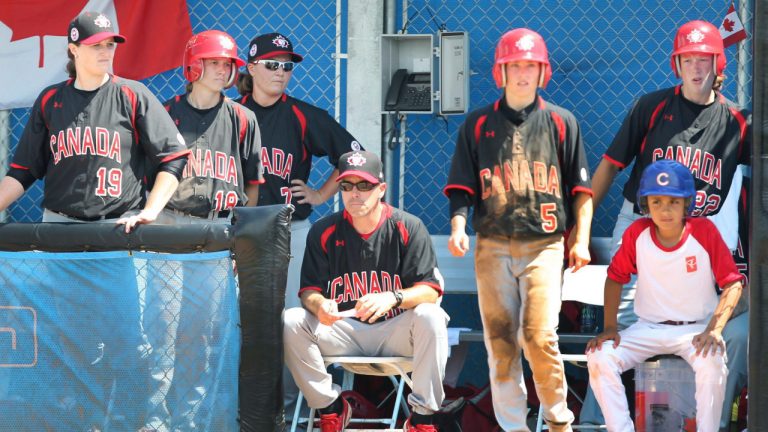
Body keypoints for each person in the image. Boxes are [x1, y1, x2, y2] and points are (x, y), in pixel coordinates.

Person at [0, 10, 189, 430]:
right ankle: (79, 422)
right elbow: (22, 173)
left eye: (109, 45)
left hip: (118, 229)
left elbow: (172, 160)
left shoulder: (133, 95)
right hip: (62, 229)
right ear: (73, 49)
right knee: (69, 336)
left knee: (126, 337)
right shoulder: (51, 101)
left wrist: (151, 210)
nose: (105, 52)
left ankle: (130, 420)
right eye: (96, 45)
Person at [582, 20, 751, 429]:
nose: (696, 68)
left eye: (704, 59)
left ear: (718, 63)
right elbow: (609, 166)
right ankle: (593, 420)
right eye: (688, 59)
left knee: (707, 325)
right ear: (677, 64)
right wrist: (580, 227)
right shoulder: (652, 106)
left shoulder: (736, 122)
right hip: (641, 221)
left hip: (698, 230)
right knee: (619, 325)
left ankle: (697, 419)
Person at [444, 28, 593, 432]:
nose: (523, 73)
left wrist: (579, 240)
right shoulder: (477, 125)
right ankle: (513, 426)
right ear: (501, 71)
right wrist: (458, 227)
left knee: (539, 336)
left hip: (545, 246)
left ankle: (558, 420)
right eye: (516, 65)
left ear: (542, 71)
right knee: (500, 340)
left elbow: (582, 192)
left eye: (531, 65)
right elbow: (462, 189)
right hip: (492, 245)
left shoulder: (562, 122)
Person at [235, 31, 363, 418]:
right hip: (237, 234)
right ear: (252, 67)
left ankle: (289, 414)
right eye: (272, 64)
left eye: (287, 66)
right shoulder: (232, 114)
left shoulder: (304, 116)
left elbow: (354, 156)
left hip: (291, 232)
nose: (280, 72)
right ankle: (239, 411)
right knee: (238, 325)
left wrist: (323, 194)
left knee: (290, 326)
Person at [141, 30, 263, 431]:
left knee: (205, 335)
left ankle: (191, 421)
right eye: (213, 62)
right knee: (162, 330)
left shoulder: (243, 119)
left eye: (227, 64)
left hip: (218, 230)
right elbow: (150, 173)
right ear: (193, 66)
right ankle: (156, 419)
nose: (222, 70)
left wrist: (237, 239)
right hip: (170, 225)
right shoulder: (165, 113)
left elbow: (252, 186)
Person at [283, 151, 448, 432]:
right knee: (292, 320)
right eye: (346, 186)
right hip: (344, 330)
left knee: (432, 316)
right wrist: (320, 304)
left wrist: (393, 297)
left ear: (381, 189)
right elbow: (308, 292)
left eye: (364, 185)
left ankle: (421, 419)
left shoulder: (407, 227)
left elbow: (430, 291)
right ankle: (331, 407)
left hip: (395, 331)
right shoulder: (324, 231)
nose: (354, 193)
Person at [586, 159, 744, 432]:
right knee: (600, 356)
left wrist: (715, 329)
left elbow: (733, 284)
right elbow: (614, 278)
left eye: (673, 201)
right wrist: (610, 327)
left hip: (695, 329)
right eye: (656, 202)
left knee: (713, 360)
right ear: (646, 205)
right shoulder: (637, 233)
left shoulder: (704, 231)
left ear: (686, 204)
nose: (665, 209)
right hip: (647, 327)